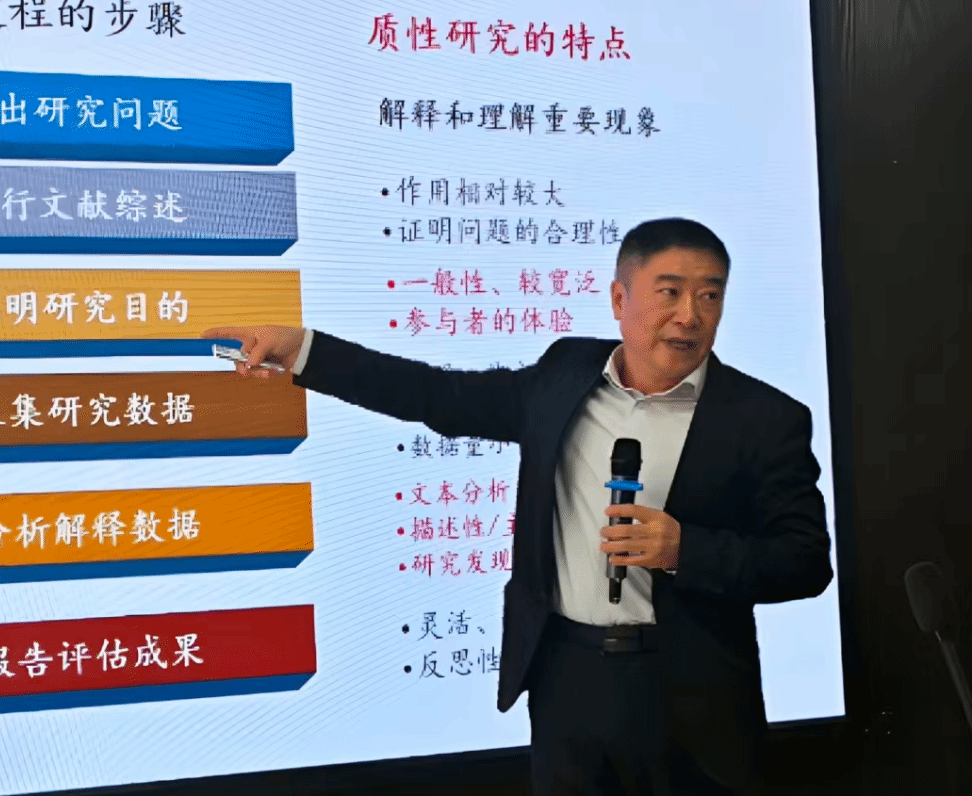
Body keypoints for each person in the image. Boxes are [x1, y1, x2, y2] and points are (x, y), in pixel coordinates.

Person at [204, 217, 831, 796]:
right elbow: (437, 395)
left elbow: (805, 561)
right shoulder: (565, 374)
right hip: (568, 681)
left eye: (710, 296)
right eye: (670, 292)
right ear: (619, 299)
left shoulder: (765, 418)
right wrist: (305, 351)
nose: (690, 315)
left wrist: (683, 549)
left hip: (692, 696)